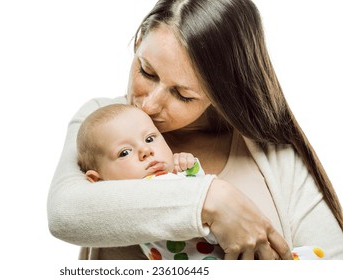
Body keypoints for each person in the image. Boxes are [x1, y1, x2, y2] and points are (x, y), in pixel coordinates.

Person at [48, 0, 343, 260]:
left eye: (182, 95)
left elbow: (333, 261)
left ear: (223, 93)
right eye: (146, 71)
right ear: (139, 41)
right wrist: (210, 200)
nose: (149, 106)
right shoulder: (101, 122)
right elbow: (64, 214)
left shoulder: (271, 152)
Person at [76, 103, 326, 260]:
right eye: (124, 153)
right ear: (96, 180)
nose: (146, 151)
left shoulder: (171, 176)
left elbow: (202, 193)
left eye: (151, 139)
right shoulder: (117, 199)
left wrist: (190, 168)